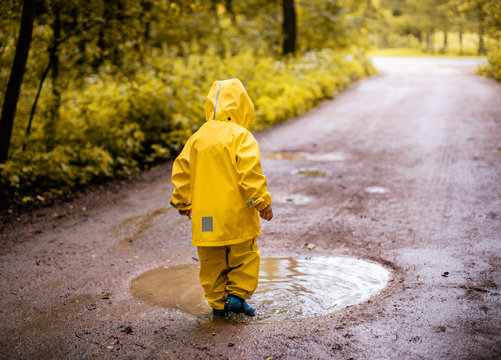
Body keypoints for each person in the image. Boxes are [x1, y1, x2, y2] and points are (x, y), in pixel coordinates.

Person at [170, 78, 273, 317]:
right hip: (236, 215)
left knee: (211, 260)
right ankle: (237, 296)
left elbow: (182, 172)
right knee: (244, 255)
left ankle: (218, 303)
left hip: (206, 218)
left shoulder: (196, 138)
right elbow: (249, 173)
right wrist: (261, 202)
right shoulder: (241, 136)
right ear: (243, 106)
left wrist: (183, 202)